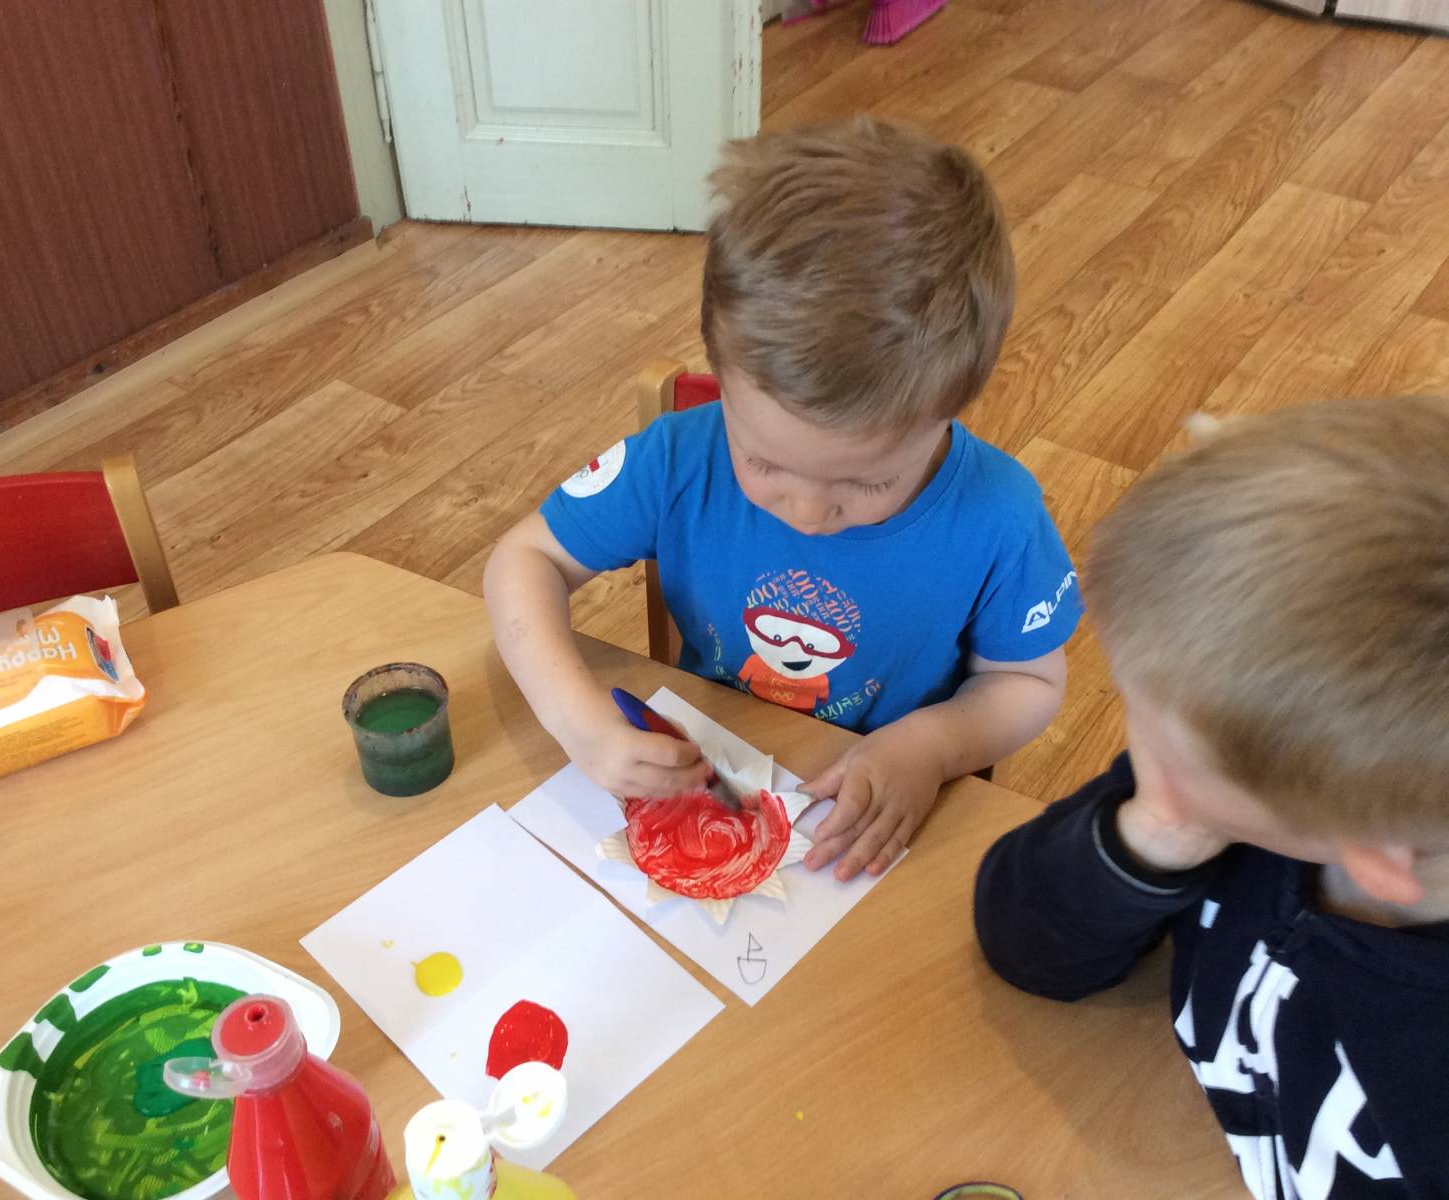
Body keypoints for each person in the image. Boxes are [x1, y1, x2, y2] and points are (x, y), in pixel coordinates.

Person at [485, 117, 1081, 880]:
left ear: (952, 408)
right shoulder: (678, 459)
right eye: (763, 461)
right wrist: (579, 723)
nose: (804, 514)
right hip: (718, 765)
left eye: (865, 482)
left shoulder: (999, 515)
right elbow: (523, 559)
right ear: (720, 377)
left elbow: (1026, 683)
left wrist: (930, 747)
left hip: (877, 808)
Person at [974, 396, 1449, 1196]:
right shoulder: (1291, 793)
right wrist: (1153, 835)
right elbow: (1027, 944)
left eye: (1162, 752)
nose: (1134, 749)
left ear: (1374, 860)